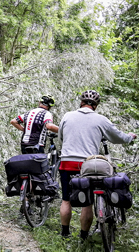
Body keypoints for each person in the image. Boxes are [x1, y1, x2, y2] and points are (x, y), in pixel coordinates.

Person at [58, 90, 137, 239]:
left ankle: (65, 233)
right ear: (96, 106)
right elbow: (118, 137)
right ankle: (83, 237)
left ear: (81, 103)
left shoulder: (67, 116)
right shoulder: (101, 119)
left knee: (66, 200)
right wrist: (129, 138)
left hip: (67, 162)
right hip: (88, 164)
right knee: (87, 203)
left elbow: (61, 137)